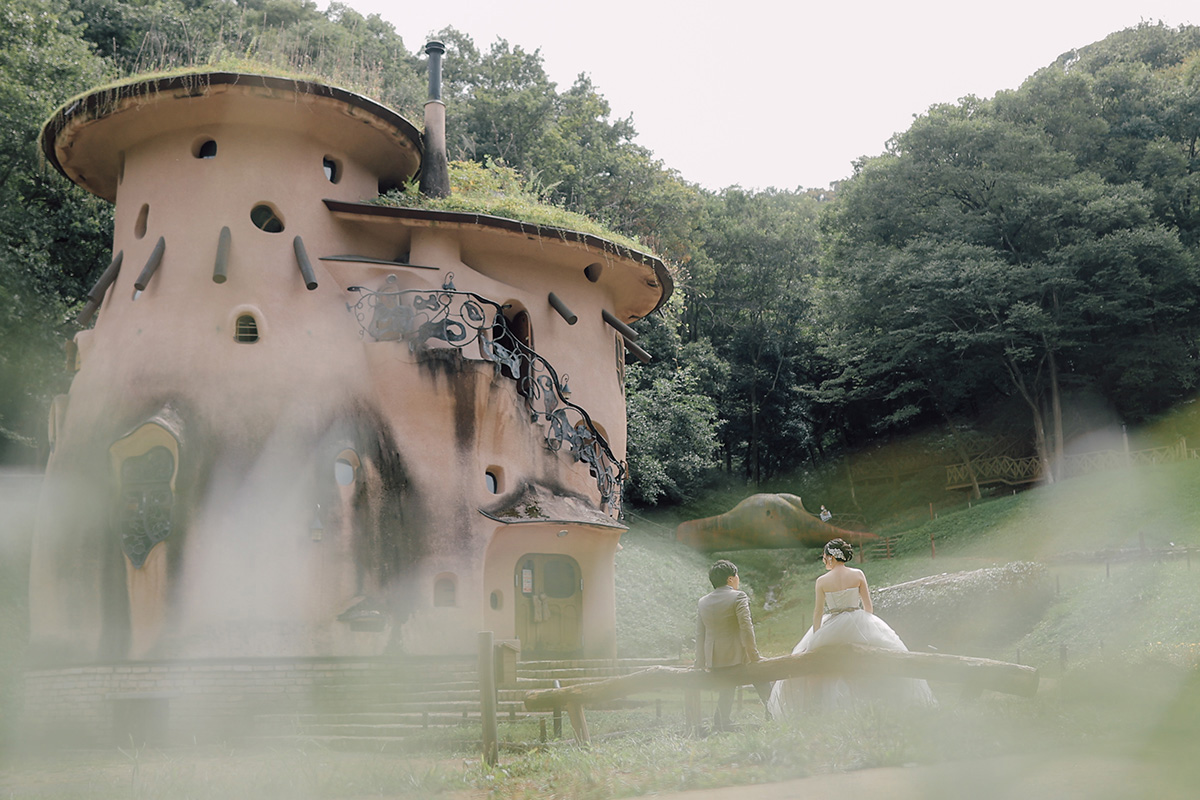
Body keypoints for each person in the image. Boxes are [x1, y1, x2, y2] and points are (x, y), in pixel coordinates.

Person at [767, 538, 934, 717]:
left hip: (831, 623)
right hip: (859, 620)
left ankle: (816, 710)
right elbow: (868, 607)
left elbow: (817, 613)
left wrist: (817, 636)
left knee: (818, 662)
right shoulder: (858, 574)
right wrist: (867, 624)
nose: (824, 560)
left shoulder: (822, 581)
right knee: (886, 654)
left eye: (824, 557)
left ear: (830, 557)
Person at [695, 559, 773, 730]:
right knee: (761, 674)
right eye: (736, 576)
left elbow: (700, 635)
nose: (738, 579)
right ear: (730, 579)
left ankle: (721, 722)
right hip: (738, 656)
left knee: (727, 685)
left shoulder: (703, 602)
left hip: (715, 661)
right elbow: (746, 627)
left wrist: (699, 663)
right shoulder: (738, 596)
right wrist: (754, 656)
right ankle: (773, 713)